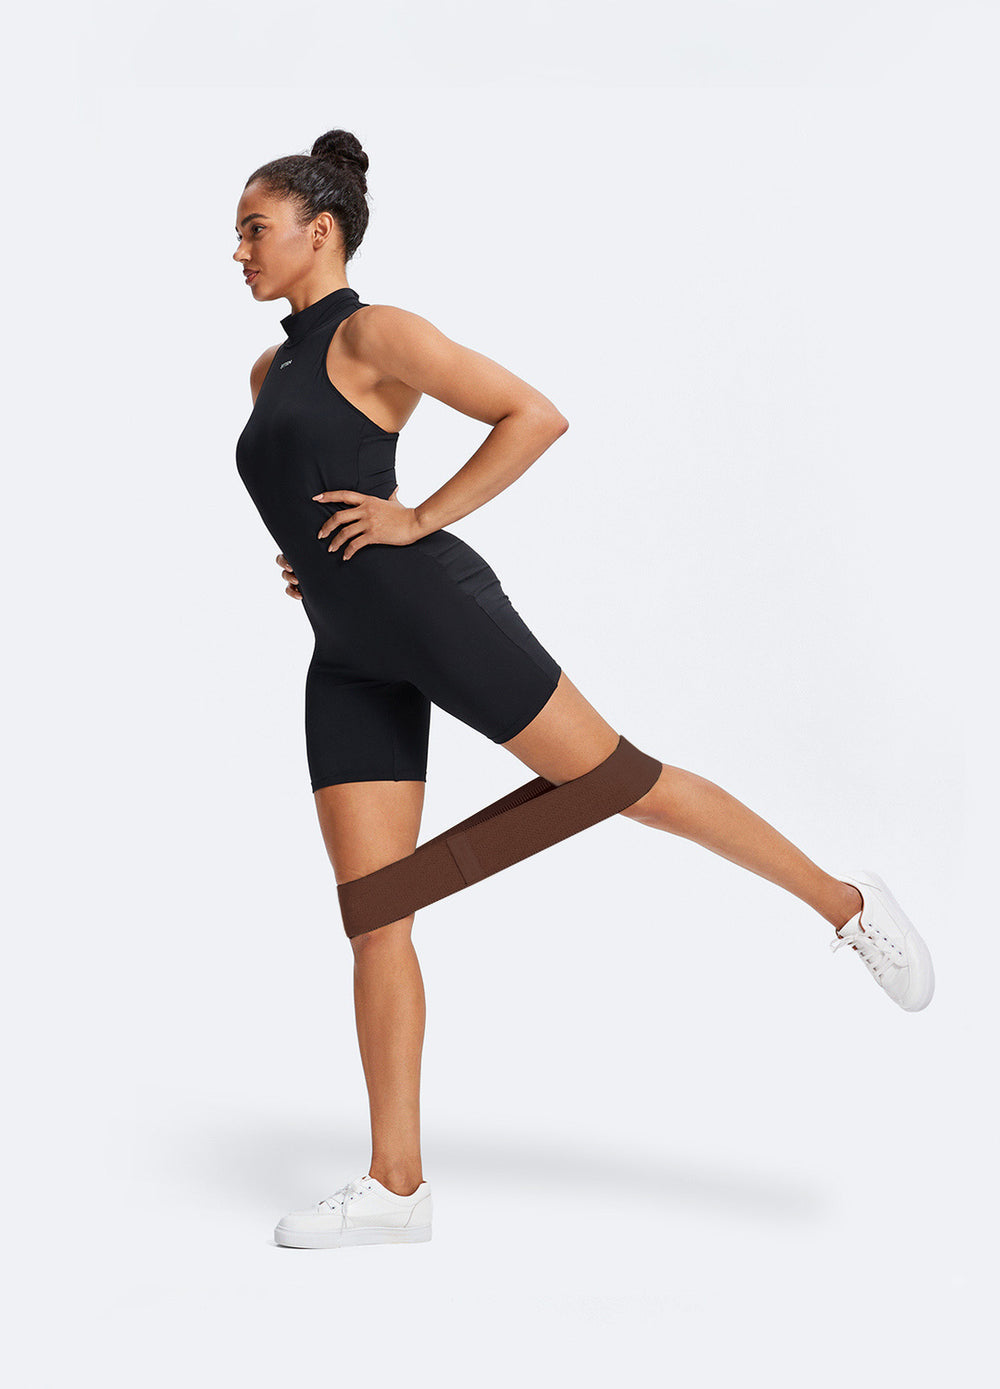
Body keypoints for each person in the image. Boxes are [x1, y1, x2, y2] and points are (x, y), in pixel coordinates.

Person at [232, 127, 935, 1252]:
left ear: (321, 231)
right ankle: (397, 1188)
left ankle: (847, 906)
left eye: (255, 228)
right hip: (345, 650)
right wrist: (307, 563)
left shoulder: (376, 332)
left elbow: (533, 414)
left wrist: (417, 518)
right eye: (238, 234)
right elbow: (311, 490)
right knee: (375, 915)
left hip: (431, 611)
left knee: (622, 784)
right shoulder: (266, 373)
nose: (239, 251)